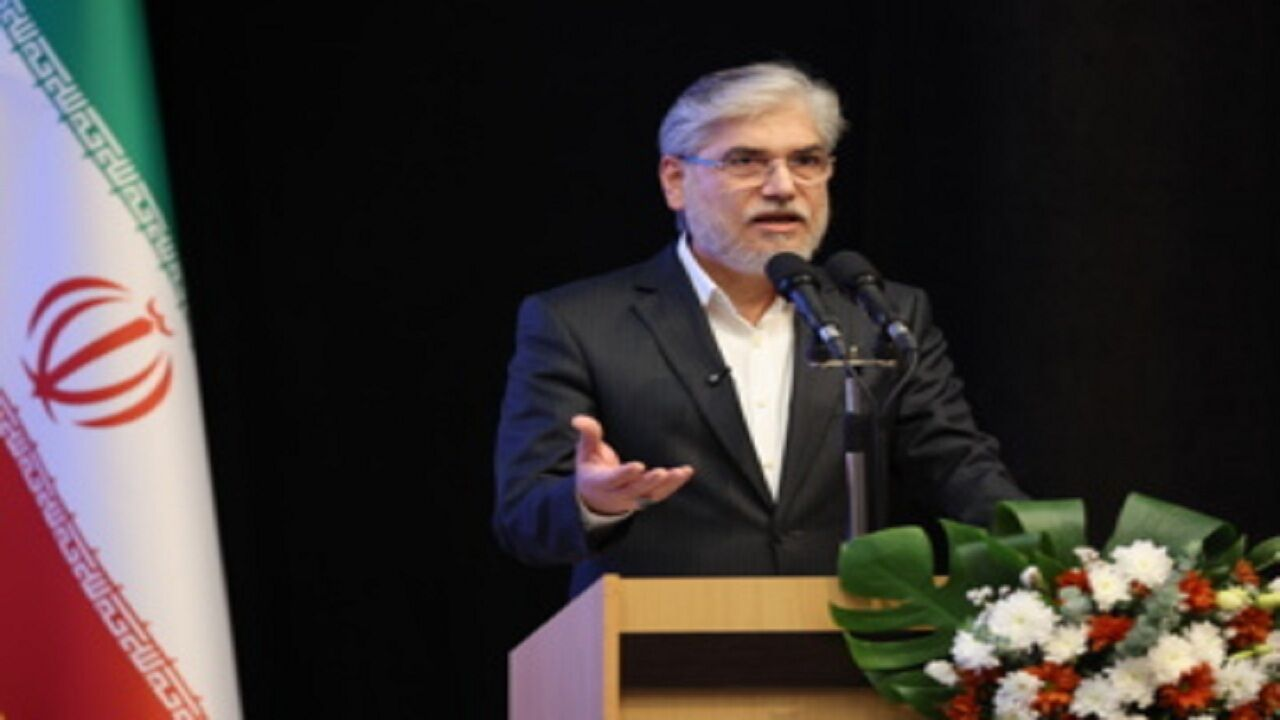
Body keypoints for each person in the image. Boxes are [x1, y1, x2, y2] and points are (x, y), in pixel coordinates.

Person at [493, 62, 1025, 595]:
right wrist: (593, 501)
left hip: (848, 633)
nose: (782, 187)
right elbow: (523, 520)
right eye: (746, 161)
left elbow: (958, 467)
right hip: (662, 639)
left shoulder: (880, 313)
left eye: (806, 161)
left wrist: (1047, 555)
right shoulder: (579, 322)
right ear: (675, 180)